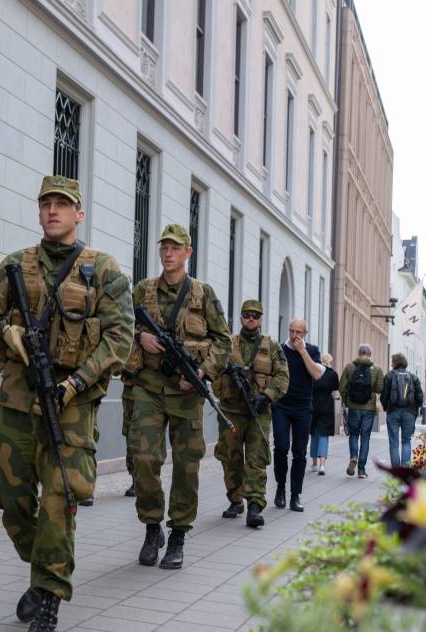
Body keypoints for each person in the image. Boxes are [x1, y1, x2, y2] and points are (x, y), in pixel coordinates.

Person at [0, 175, 133, 632]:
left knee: (60, 502)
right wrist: (8, 336)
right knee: (12, 499)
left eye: (63, 205)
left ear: (78, 214)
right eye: (47, 204)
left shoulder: (103, 270)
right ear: (40, 212)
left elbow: (119, 339)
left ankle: (49, 604)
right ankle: (42, 574)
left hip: (73, 408)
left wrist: (76, 383)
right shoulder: (15, 265)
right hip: (20, 403)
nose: (54, 211)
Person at [125, 224, 231, 568]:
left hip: (187, 393)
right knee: (143, 458)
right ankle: (152, 526)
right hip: (148, 386)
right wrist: (141, 336)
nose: (168, 253)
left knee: (186, 467)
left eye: (175, 248)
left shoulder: (204, 294)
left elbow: (223, 341)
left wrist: (201, 373)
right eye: (164, 247)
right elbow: (120, 326)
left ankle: (179, 534)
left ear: (188, 253)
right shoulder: (143, 291)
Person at [212, 300, 288, 528]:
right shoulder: (228, 343)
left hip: (259, 413)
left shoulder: (272, 346)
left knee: (256, 459)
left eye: (255, 315)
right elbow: (213, 370)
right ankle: (235, 500)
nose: (251, 319)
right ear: (241, 316)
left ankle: (255, 505)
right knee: (230, 458)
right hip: (231, 411)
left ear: (261, 318)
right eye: (247, 314)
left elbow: (282, 376)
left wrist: (266, 396)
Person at [270, 320, 324, 512]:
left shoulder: (312, 350)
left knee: (300, 452)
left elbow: (317, 374)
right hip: (281, 406)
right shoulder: (279, 349)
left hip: (303, 407)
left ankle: (295, 495)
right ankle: (280, 488)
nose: (295, 335)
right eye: (292, 331)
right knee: (281, 447)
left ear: (305, 333)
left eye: (298, 332)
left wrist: (303, 352)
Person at [338, 343, 384, 479]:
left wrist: (347, 401)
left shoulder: (350, 367)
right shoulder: (376, 369)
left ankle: (353, 457)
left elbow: (342, 388)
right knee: (365, 437)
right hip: (368, 409)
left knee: (353, 435)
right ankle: (362, 470)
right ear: (370, 354)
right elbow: (380, 389)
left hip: (353, 407)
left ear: (359, 353)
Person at [381, 353, 423, 468]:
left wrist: (386, 407)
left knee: (394, 442)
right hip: (409, 412)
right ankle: (404, 469)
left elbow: (384, 395)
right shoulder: (413, 377)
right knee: (406, 441)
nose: (391, 364)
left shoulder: (389, 376)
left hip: (393, 411)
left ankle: (396, 471)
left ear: (395, 363)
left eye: (392, 362)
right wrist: (416, 409)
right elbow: (419, 396)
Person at [309, 353, 339, 475]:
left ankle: (314, 463)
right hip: (327, 405)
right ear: (330, 361)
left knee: (314, 433)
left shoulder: (315, 372)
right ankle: (322, 465)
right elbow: (336, 387)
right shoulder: (333, 374)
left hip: (314, 404)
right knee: (324, 435)